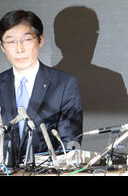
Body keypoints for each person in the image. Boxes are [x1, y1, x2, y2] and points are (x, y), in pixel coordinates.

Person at [0, 10, 83, 166]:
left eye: (26, 40)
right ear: (2, 47)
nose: (19, 49)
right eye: (10, 41)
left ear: (40, 40)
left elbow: (69, 143)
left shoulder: (64, 83)